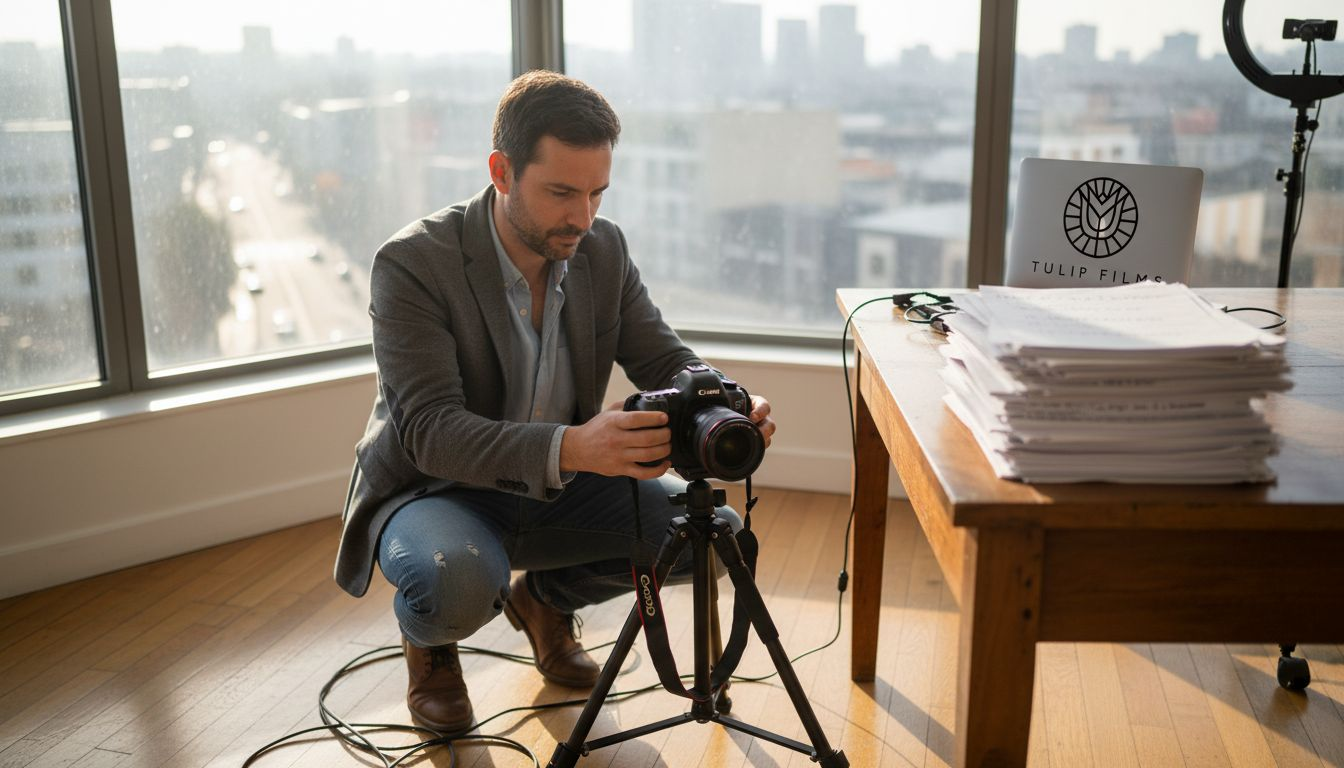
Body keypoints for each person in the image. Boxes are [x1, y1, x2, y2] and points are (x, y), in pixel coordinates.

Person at [332, 70, 776, 733]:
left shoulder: (602, 248)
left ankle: (542, 601)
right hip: (434, 489)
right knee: (454, 578)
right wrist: (574, 446)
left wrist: (722, 402)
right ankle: (432, 652)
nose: (583, 217)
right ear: (502, 171)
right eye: (562, 192)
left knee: (715, 542)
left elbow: (664, 356)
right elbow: (430, 430)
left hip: (563, 480)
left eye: (597, 193)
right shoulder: (412, 264)